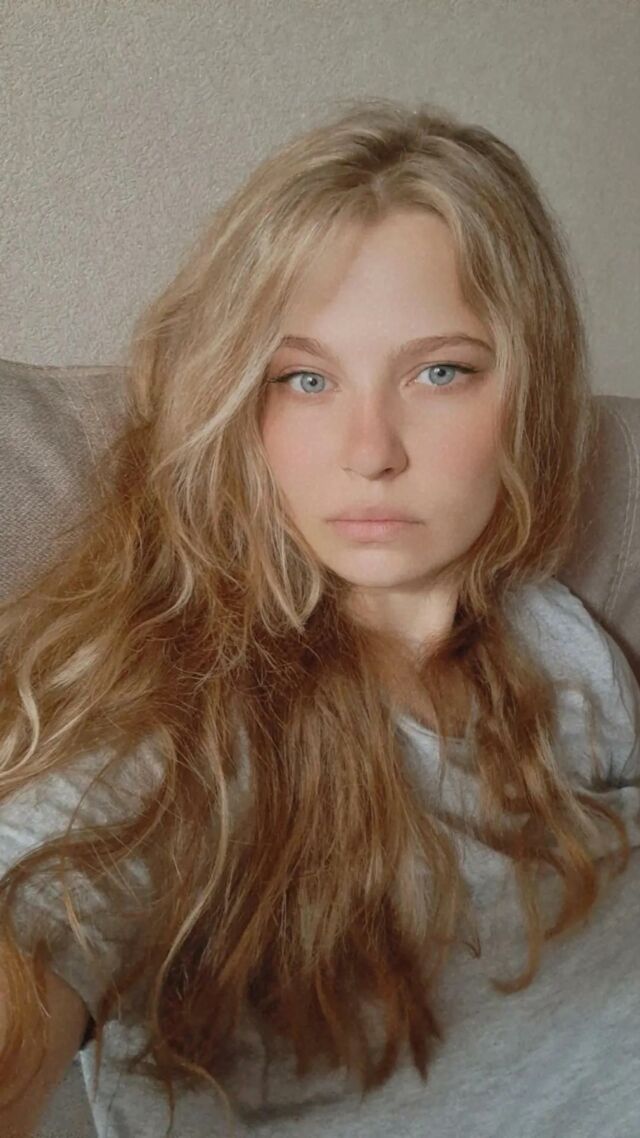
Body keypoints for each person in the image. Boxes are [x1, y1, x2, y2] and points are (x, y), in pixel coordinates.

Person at [0, 96, 638, 1138]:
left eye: (440, 371)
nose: (370, 449)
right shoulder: (179, 718)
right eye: (305, 379)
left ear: (526, 390)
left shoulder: (561, 639)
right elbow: (46, 891)